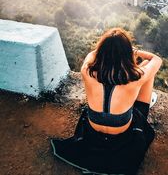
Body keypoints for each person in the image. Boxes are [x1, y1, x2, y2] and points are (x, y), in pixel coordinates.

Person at [51, 27, 162, 175]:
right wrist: (134, 52)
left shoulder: (87, 71)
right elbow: (156, 59)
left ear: (102, 51)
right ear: (126, 53)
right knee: (147, 72)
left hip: (93, 131)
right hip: (122, 135)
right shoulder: (136, 77)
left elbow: (92, 54)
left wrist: (106, 48)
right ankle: (140, 101)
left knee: (140, 75)